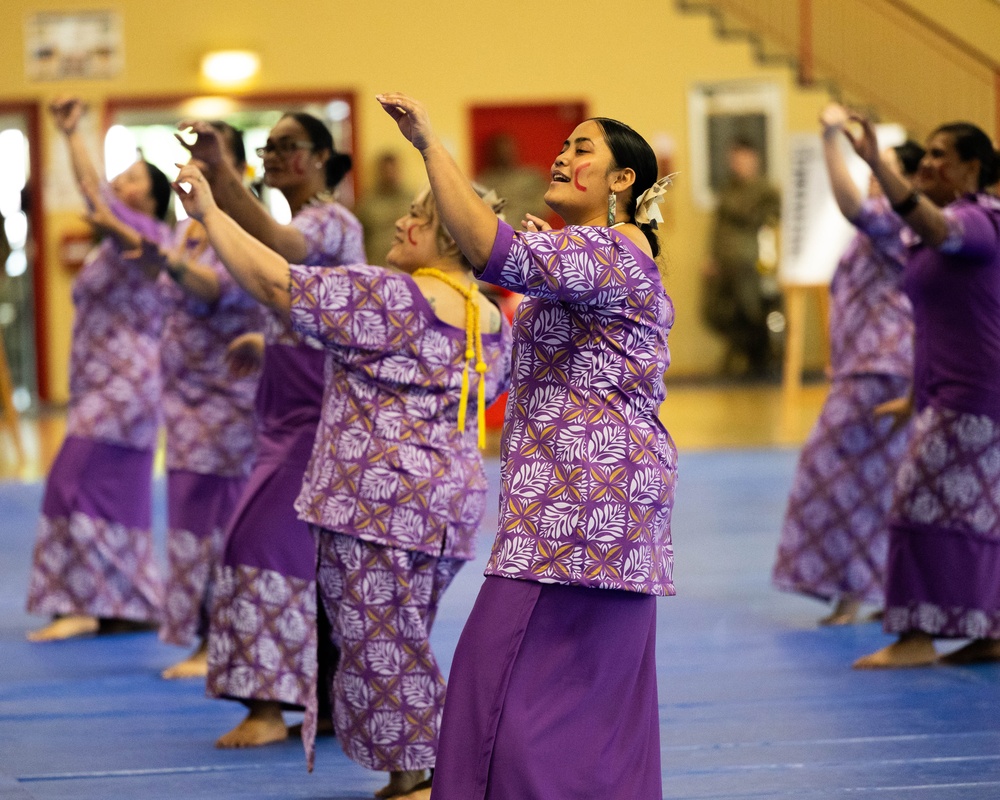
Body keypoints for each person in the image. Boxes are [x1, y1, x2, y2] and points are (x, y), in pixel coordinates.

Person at [172, 160, 512, 797]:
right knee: (400, 632)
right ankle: (422, 768)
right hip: (447, 507)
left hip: (374, 503)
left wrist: (210, 215)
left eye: (419, 217)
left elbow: (278, 284)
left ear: (448, 241)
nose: (402, 222)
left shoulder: (388, 297)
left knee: (380, 639)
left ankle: (422, 774)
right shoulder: (491, 319)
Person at [377, 92, 676, 800]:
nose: (563, 156)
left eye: (582, 150)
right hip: (599, 503)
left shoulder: (611, 248)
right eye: (564, 146)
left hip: (579, 509)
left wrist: (428, 143)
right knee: (594, 699)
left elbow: (487, 248)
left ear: (622, 182)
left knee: (499, 684)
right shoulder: (601, 253)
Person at [173, 113, 365, 743]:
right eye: (271, 148)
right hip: (285, 403)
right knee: (300, 559)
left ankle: (268, 707)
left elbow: (284, 251)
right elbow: (287, 275)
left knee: (259, 543)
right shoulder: (294, 217)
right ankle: (320, 699)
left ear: (322, 156)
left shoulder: (331, 219)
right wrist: (219, 171)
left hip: (319, 412)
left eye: (290, 147)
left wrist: (220, 175)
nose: (279, 156)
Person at [843, 116, 1000, 668]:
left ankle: (916, 636)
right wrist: (914, 395)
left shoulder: (978, 220)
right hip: (950, 390)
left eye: (940, 155)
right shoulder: (944, 226)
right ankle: (988, 632)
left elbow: (934, 226)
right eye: (925, 154)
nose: (929, 163)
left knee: (916, 503)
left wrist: (876, 163)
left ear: (972, 168)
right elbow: (932, 322)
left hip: (975, 395)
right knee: (971, 513)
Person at [772, 104, 924, 625]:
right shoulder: (889, 227)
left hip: (882, 369)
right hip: (867, 366)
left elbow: (852, 205)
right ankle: (863, 591)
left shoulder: (898, 221)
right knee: (861, 481)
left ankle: (857, 593)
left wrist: (830, 140)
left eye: (889, 169)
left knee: (836, 475)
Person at [26, 97, 171, 641]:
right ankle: (124, 603)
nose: (121, 184)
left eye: (134, 179)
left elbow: (95, 195)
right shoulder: (119, 240)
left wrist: (72, 134)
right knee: (113, 492)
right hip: (102, 382)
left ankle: (83, 603)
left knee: (71, 482)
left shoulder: (148, 239)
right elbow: (98, 198)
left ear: (154, 199)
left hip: (126, 385)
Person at [127, 122, 265, 678]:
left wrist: (173, 267)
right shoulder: (188, 229)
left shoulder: (239, 227)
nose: (196, 165)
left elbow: (218, 290)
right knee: (188, 521)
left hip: (227, 399)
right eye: (191, 155)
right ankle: (203, 634)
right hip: (183, 400)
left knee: (218, 522)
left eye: (210, 157)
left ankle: (223, 640)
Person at [703, 138, 781, 377]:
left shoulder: (765, 191)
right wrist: (711, 257)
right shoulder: (728, 188)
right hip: (727, 261)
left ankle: (760, 359)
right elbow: (718, 228)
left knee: (752, 312)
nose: (737, 164)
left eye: (742, 158)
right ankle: (742, 356)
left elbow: (763, 221)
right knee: (720, 313)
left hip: (752, 262)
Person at [354, 151, 412, 263]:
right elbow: (357, 237)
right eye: (386, 170)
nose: (390, 174)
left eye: (393, 169)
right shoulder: (368, 203)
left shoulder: (413, 201)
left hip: (407, 267)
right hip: (377, 266)